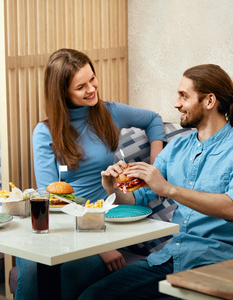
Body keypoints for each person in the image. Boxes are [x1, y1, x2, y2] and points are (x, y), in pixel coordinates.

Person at [79, 64, 233, 299]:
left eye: (183, 96)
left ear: (209, 101)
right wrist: (113, 188)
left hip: (224, 263)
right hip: (174, 256)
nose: (176, 103)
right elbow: (136, 197)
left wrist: (169, 189)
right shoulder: (178, 147)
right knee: (94, 296)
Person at [15, 48, 166, 300]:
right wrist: (99, 247)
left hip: (101, 224)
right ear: (62, 91)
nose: (92, 89)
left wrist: (156, 162)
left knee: (65, 277)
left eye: (92, 79)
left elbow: (153, 119)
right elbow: (51, 198)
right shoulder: (45, 132)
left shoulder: (110, 112)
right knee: (32, 274)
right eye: (81, 86)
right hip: (58, 226)